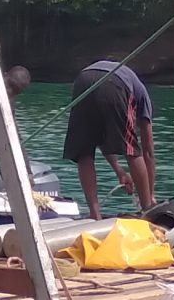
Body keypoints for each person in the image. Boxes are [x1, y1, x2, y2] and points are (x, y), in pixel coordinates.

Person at [62, 59, 156, 220]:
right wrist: (151, 194)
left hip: (83, 79)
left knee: (84, 151)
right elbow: (147, 151)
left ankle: (95, 215)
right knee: (132, 149)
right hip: (115, 82)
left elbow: (102, 139)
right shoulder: (142, 97)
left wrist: (119, 171)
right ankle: (147, 210)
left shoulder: (134, 87)